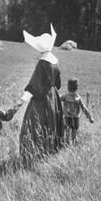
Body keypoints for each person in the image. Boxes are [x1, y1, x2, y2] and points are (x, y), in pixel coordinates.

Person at [17, 24, 64, 164]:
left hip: (41, 99)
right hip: (53, 97)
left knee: (34, 123)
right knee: (51, 123)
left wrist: (21, 101)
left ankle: (33, 154)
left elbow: (33, 85)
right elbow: (59, 84)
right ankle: (49, 152)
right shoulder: (55, 61)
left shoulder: (42, 63)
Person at [60, 78, 94, 145]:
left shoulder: (65, 97)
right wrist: (90, 117)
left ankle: (67, 145)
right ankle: (73, 145)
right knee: (74, 134)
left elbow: (58, 98)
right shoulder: (78, 98)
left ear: (68, 87)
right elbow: (84, 109)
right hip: (76, 118)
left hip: (67, 117)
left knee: (67, 133)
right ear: (76, 88)